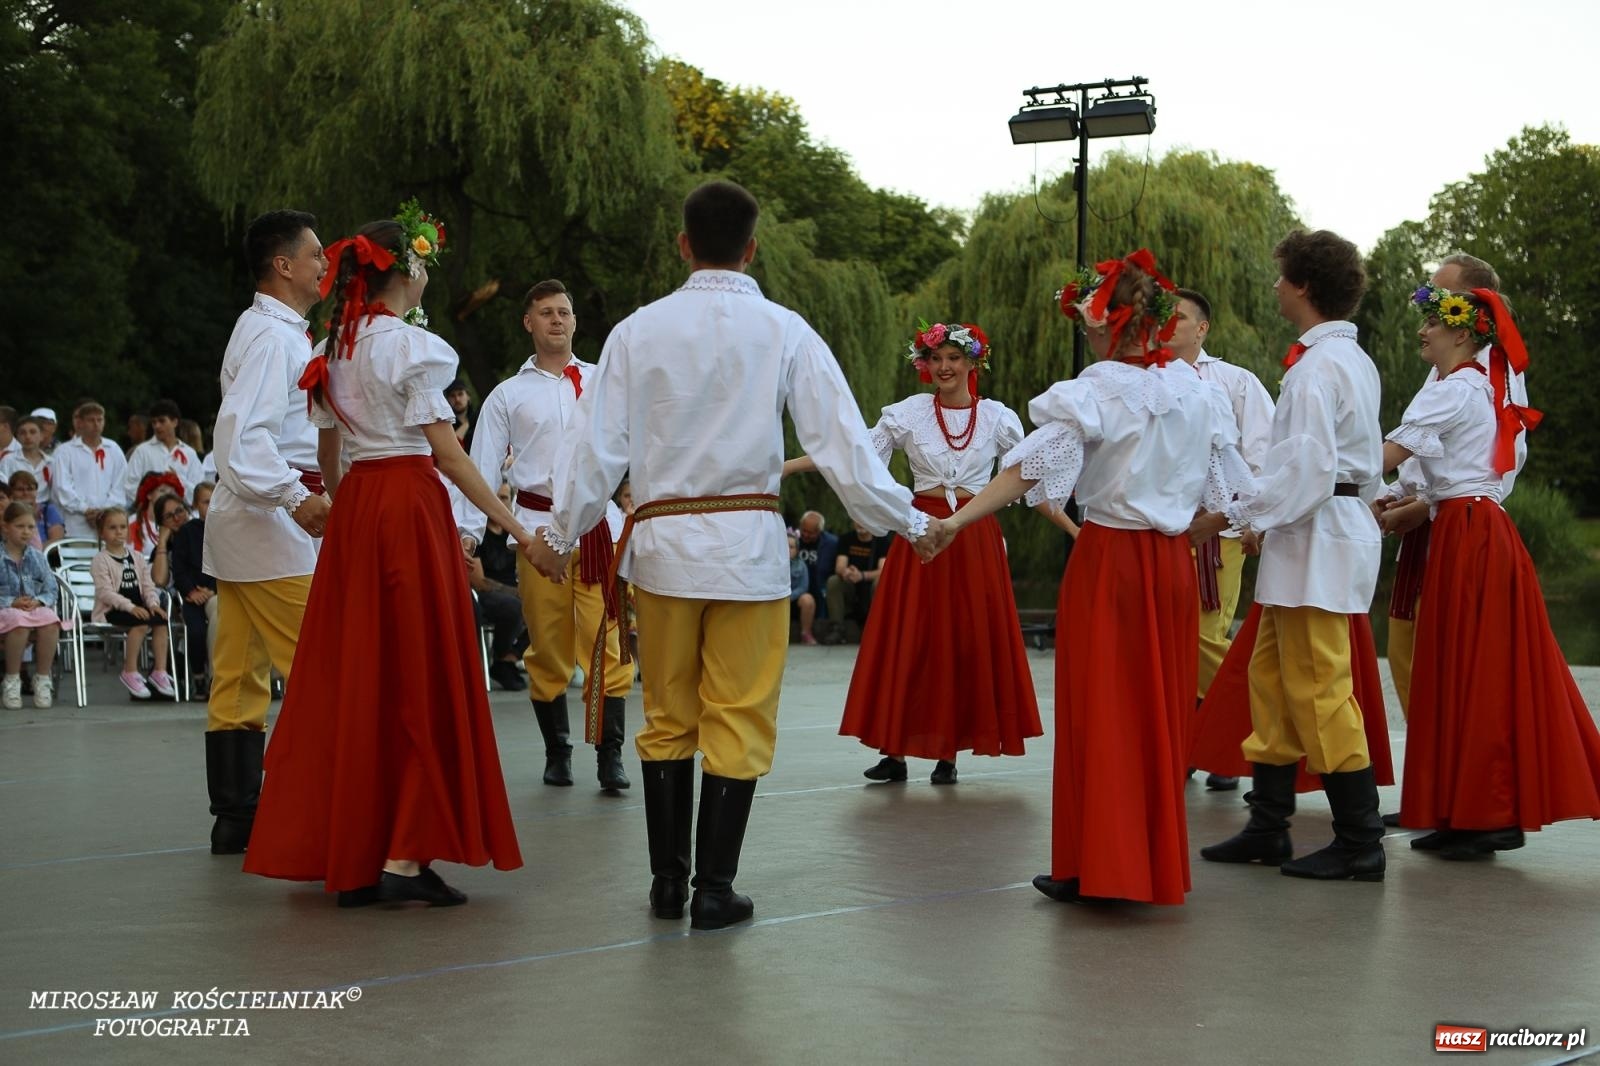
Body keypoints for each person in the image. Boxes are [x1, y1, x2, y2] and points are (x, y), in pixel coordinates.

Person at [528, 179, 939, 930]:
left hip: (660, 550)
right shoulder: (785, 330)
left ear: (683, 245)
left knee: (665, 714)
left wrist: (560, 535)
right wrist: (909, 521)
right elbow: (841, 447)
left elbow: (597, 449)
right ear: (752, 249)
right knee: (739, 714)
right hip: (748, 553)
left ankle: (664, 884)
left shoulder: (635, 332)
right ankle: (714, 889)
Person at [924, 250, 1246, 906]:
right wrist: (1185, 533)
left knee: (1100, 712)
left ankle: (1097, 865)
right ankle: (1139, 864)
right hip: (1170, 568)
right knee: (1156, 712)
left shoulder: (1099, 388)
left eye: (1089, 318)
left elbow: (1024, 470)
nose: (1085, 329)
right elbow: (1237, 497)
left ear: (1109, 323)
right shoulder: (1199, 391)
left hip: (1111, 562)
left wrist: (957, 523)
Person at [243, 201, 525, 907]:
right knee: (417, 673)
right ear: (411, 268)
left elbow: (329, 454)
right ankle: (402, 853)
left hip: (362, 510)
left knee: (360, 674)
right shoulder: (406, 346)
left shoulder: (332, 348)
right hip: (405, 504)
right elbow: (449, 455)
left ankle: (363, 848)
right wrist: (514, 529)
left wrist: (346, 515)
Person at [1190, 229, 1387, 883]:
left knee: (1320, 686)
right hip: (1315, 533)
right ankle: (1268, 827)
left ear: (1302, 286)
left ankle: (1359, 839)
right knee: (1270, 679)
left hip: (1318, 535)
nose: (1275, 287)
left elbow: (1303, 468)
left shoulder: (1316, 369)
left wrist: (1229, 515)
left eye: (1282, 278)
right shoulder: (1346, 361)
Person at [1384, 283, 1600, 859]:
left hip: (1468, 532)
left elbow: (1382, 459)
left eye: (1432, 324)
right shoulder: (1479, 387)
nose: (1422, 332)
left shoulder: (1453, 390)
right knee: (1468, 670)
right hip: (1472, 526)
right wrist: (1393, 499)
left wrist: (1322, 476)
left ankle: (1485, 817)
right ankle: (1467, 810)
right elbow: (1432, 476)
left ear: (1461, 332)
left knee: (1471, 670)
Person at [789, 319, 1055, 784]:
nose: (945, 366)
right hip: (920, 533)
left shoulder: (997, 417)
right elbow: (855, 455)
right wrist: (787, 467)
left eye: (954, 358)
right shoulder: (908, 413)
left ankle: (947, 752)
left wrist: (1077, 528)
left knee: (963, 642)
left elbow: (1031, 479)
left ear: (973, 362)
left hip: (974, 537)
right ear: (924, 364)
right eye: (936, 358)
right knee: (910, 639)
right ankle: (895, 750)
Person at [457, 279, 634, 791]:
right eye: (546, 313)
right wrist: (469, 533)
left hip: (597, 531)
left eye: (564, 311)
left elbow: (637, 446)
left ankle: (609, 754)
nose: (557, 320)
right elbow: (482, 467)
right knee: (549, 650)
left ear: (575, 321)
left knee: (608, 646)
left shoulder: (604, 382)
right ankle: (557, 750)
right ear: (528, 323)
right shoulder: (508, 395)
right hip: (536, 538)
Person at [1373, 253, 1526, 826]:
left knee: (1463, 665)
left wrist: (1338, 483)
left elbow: (1494, 463)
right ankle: (1444, 796)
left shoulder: (1480, 377)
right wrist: (1409, 496)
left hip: (1463, 523)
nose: (1423, 320)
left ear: (1467, 316)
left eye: (1436, 306)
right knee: (1436, 662)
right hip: (1455, 517)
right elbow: (1433, 457)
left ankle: (1467, 806)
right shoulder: (1458, 375)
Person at [200, 209, 333, 856]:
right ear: (283, 265)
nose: (324, 264)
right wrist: (294, 496)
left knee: (239, 673)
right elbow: (241, 437)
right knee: (318, 667)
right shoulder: (275, 338)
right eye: (314, 255)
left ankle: (236, 817)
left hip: (246, 521)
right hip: (270, 519)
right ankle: (313, 808)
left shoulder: (270, 329)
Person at [1168, 288, 1276, 792]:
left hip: (1218, 528)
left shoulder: (1235, 381)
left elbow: (1259, 455)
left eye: (1180, 316)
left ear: (1203, 328)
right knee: (1169, 637)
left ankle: (1254, 727)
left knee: (1204, 635)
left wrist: (1249, 518)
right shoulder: (1142, 380)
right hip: (1160, 529)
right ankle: (1199, 741)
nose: (1169, 323)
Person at [90, 507, 175, 700]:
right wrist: (131, 607)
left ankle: (159, 672)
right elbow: (105, 593)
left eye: (122, 527)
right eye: (112, 528)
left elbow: (148, 586)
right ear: (102, 533)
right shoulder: (100, 560)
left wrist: (153, 604)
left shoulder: (136, 557)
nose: (119, 531)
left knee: (161, 620)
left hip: (139, 608)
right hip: (113, 610)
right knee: (140, 623)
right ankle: (129, 671)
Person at [153, 489, 216, 697]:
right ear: (161, 522)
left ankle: (213, 676)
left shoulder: (199, 532)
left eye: (179, 511)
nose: (177, 517)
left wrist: (208, 589)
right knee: (196, 629)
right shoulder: (165, 546)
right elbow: (160, 580)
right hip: (176, 600)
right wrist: (162, 542)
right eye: (169, 516)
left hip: (204, 593)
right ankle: (199, 677)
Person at [468, 481, 530, 693]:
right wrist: (515, 593)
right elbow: (479, 581)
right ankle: (503, 660)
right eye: (494, 497)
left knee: (544, 607)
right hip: (485, 595)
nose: (499, 502)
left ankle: (508, 659)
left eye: (504, 498)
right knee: (515, 606)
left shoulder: (513, 537)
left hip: (515, 594)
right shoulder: (476, 535)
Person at [1, 502, 63, 709]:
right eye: (20, 526)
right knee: (18, 621)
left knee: (51, 620)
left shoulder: (37, 557)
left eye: (30, 527)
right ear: (5, 526)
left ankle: (43, 678)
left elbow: (51, 589)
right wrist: (11, 602)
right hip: (5, 612)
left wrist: (38, 601)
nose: (26, 532)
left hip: (32, 610)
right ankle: (12, 679)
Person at [51, 402, 127, 540]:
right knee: (79, 561)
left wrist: (104, 511)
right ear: (80, 423)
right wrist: (85, 509)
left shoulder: (113, 449)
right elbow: (62, 487)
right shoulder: (65, 451)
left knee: (108, 561)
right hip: (76, 526)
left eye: (99, 420)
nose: (96, 424)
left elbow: (120, 486)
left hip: (109, 525)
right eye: (91, 420)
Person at [124, 399, 204, 507]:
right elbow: (130, 486)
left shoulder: (189, 453)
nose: (157, 426)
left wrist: (178, 480)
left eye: (162, 421)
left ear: (175, 422)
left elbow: (199, 491)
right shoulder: (142, 451)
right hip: (150, 515)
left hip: (182, 514)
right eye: (154, 422)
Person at [824, 521, 889, 642]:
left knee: (880, 582)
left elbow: (883, 570)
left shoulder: (881, 541)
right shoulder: (846, 538)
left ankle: (877, 629)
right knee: (834, 581)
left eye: (863, 519)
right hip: (851, 585)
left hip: (870, 588)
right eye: (856, 519)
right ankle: (837, 627)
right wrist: (846, 572)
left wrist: (862, 575)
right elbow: (840, 566)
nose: (860, 523)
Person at [792, 511, 837, 644]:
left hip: (819, 588)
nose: (805, 535)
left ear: (819, 531)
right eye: (804, 530)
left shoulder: (831, 544)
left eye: (811, 533)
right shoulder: (792, 540)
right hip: (795, 586)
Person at [2, 416, 56, 504]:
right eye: (22, 433)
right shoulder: (8, 460)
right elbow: (4, 489)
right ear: (17, 437)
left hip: (43, 509)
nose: (28, 436)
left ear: (41, 435)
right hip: (17, 507)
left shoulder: (51, 463)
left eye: (33, 432)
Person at [8, 471, 65, 548]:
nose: (25, 493)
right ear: (11, 492)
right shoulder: (7, 513)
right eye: (20, 489)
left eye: (30, 489)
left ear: (36, 491)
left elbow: (57, 541)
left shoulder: (48, 510)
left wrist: (33, 553)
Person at [445, 378, 474, 449]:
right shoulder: (446, 427)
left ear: (468, 396)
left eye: (460, 394)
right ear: (448, 400)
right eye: (452, 396)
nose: (457, 399)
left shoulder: (479, 419)